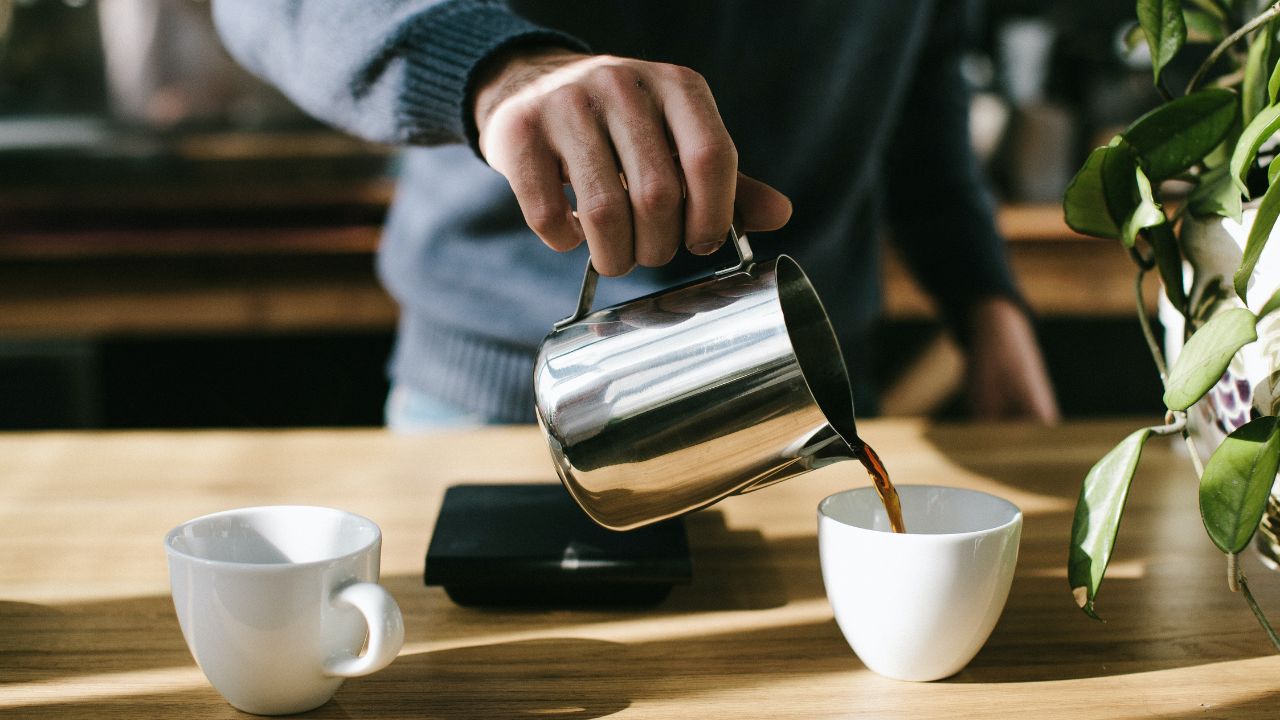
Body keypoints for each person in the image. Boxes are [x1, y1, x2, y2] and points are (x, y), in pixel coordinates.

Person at [211, 0, 1059, 429]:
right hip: (505, 405)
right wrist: (501, 70)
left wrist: (984, 304)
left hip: (808, 390)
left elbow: (921, 74)